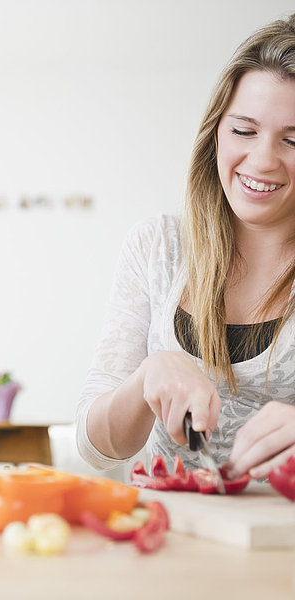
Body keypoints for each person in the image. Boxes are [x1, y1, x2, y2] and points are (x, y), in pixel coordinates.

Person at [76, 13, 295, 483]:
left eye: (293, 140)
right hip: (164, 539)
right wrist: (147, 377)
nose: (262, 159)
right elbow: (96, 448)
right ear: (215, 132)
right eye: (243, 131)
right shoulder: (158, 246)